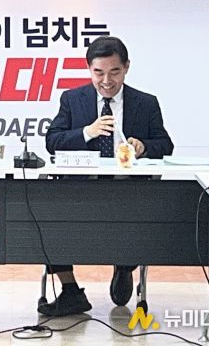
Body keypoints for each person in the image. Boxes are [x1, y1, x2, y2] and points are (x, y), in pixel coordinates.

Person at [40, 35, 174, 317]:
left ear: (126, 67)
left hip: (127, 190)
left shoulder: (145, 103)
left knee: (132, 217)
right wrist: (87, 132)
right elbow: (52, 141)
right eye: (98, 73)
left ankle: (124, 265)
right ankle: (70, 291)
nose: (106, 81)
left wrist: (144, 147)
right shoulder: (72, 99)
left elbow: (165, 145)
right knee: (50, 217)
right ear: (89, 69)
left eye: (114, 72)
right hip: (80, 190)